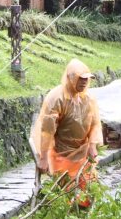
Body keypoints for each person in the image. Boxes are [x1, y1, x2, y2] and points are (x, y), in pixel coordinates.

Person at [31, 58, 103, 191]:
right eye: (81, 78)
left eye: (87, 79)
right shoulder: (57, 98)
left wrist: (92, 145)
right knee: (66, 192)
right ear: (71, 78)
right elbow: (47, 131)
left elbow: (95, 124)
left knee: (87, 190)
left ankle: (83, 210)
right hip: (61, 153)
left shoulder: (88, 99)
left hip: (82, 152)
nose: (84, 82)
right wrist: (44, 158)